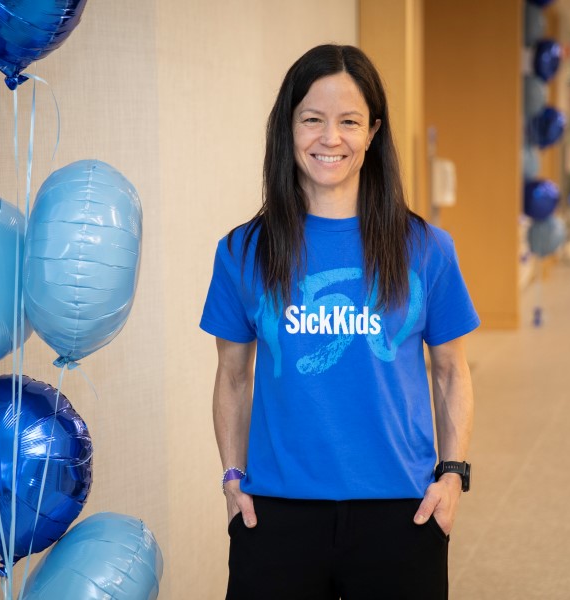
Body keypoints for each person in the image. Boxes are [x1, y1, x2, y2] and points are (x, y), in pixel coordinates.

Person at [200, 44, 479, 599]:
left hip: (402, 509)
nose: (331, 139)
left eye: (349, 121)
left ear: (373, 132)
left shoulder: (426, 248)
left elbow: (450, 372)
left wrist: (452, 475)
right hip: (276, 515)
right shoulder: (243, 251)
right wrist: (233, 481)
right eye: (312, 120)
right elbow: (233, 377)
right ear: (288, 127)